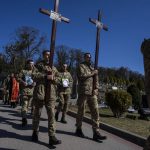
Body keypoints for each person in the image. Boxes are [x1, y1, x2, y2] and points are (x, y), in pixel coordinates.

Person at [31, 50, 61, 146]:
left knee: (52, 115)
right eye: (46, 55)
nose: (48, 56)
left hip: (51, 94)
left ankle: (52, 136)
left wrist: (53, 78)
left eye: (49, 55)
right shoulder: (38, 65)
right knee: (37, 114)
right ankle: (35, 132)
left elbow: (59, 80)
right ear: (43, 56)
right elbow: (33, 76)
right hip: (40, 92)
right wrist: (45, 75)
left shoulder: (54, 68)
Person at [75, 52, 107, 141]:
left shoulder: (93, 68)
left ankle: (96, 132)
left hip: (92, 93)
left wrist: (96, 88)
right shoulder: (81, 66)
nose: (89, 58)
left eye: (89, 57)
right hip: (83, 92)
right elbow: (81, 76)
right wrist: (92, 73)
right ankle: (78, 128)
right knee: (81, 111)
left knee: (95, 112)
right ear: (84, 57)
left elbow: (96, 80)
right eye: (87, 57)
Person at [17, 59, 37, 127]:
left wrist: (35, 83)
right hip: (25, 91)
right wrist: (23, 82)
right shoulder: (23, 71)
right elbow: (18, 78)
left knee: (29, 106)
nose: (32, 65)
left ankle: (25, 116)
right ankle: (24, 119)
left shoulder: (35, 71)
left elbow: (39, 78)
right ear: (27, 64)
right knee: (24, 105)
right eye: (30, 64)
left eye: (33, 64)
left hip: (32, 91)